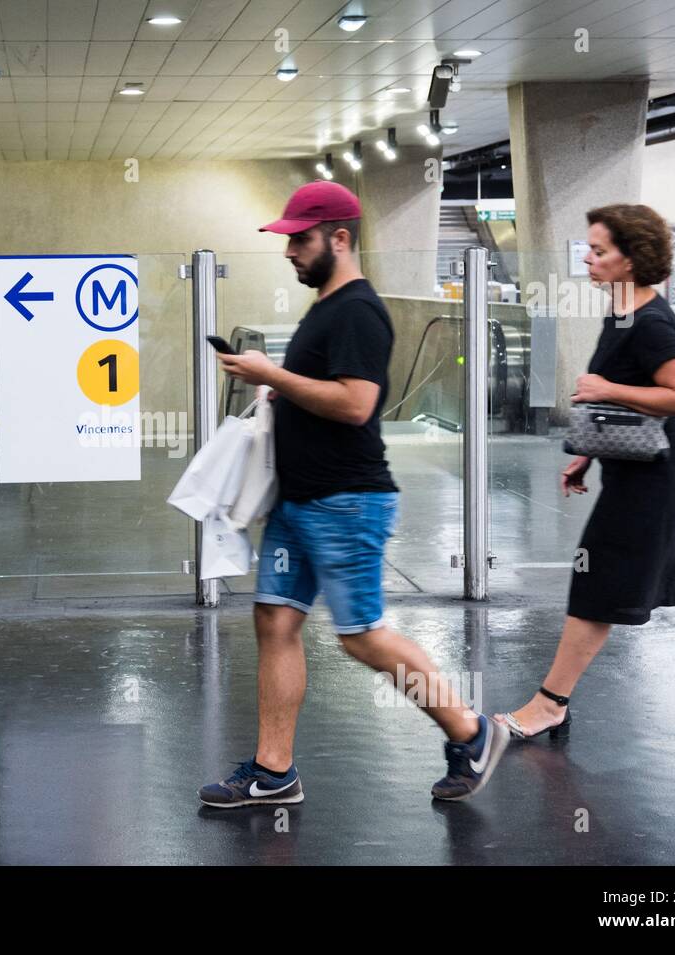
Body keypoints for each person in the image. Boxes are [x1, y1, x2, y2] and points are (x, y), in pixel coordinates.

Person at [198, 181, 510, 806]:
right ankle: (274, 770)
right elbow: (324, 388)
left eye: (300, 239)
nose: (289, 251)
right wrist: (277, 390)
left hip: (345, 501)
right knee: (275, 619)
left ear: (340, 238)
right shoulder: (328, 307)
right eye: (287, 240)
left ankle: (472, 732)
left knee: (360, 633)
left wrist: (270, 372)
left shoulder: (358, 310)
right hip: (299, 500)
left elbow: (356, 403)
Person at [496, 204, 675, 740]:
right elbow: (629, 405)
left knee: (595, 582)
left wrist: (606, 389)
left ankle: (551, 704)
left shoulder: (650, 322)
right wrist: (589, 452)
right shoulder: (624, 311)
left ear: (633, 259)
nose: (587, 256)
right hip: (654, 468)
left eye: (600, 250)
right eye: (589, 246)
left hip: (657, 479)